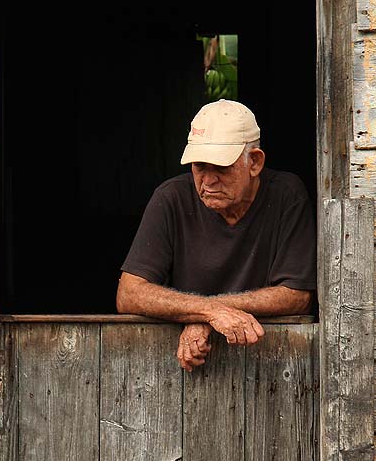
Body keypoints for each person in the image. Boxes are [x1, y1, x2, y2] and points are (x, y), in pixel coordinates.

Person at [116, 99, 316, 371]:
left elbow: (296, 296)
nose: (208, 181)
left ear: (254, 162)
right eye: (200, 167)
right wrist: (210, 312)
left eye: (221, 168)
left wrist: (206, 313)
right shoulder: (170, 198)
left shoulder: (287, 195)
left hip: (270, 366)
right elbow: (129, 293)